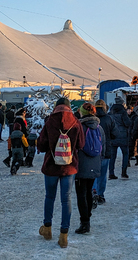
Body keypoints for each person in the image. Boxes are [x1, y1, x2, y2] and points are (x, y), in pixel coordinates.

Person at [37, 98, 85, 248]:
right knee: (66, 199)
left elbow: (42, 145)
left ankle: (47, 228)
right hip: (69, 168)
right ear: (69, 107)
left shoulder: (50, 122)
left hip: (51, 166)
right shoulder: (76, 122)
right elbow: (81, 144)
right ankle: (64, 235)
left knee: (49, 197)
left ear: (56, 107)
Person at [74, 102, 106, 235]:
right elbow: (103, 146)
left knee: (81, 194)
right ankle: (88, 217)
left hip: (82, 165)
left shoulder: (79, 127)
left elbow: (75, 146)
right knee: (88, 191)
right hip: (94, 164)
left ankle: (85, 222)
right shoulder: (99, 128)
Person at [92, 99, 115, 204]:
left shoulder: (92, 119)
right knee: (102, 175)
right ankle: (101, 195)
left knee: (93, 174)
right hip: (106, 151)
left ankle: (93, 192)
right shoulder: (109, 119)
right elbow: (116, 134)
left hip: (93, 152)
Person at [108, 96, 131, 180]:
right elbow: (127, 123)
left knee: (112, 156)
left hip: (113, 136)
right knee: (125, 154)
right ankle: (124, 173)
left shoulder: (111, 112)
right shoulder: (123, 112)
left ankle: (111, 173)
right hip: (123, 136)